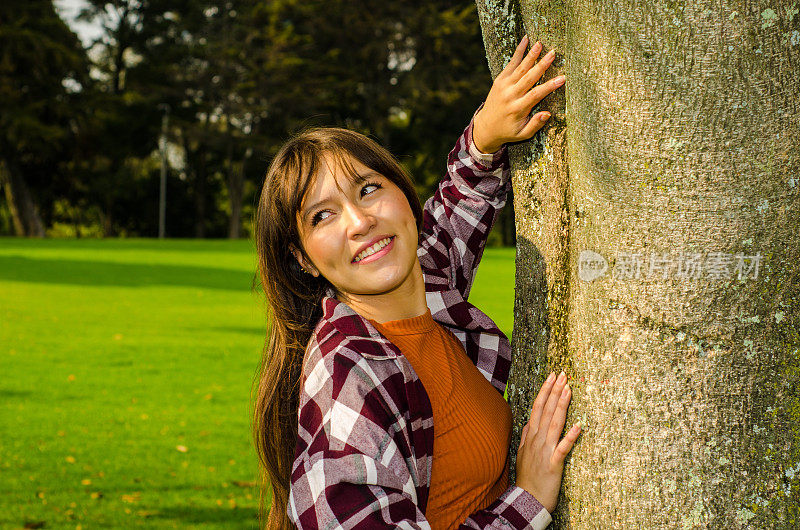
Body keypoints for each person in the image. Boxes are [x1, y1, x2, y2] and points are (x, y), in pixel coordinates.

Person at [253, 34, 579, 530]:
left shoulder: (424, 290)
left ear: (404, 197)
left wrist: (485, 137)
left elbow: (452, 218)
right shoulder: (347, 377)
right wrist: (528, 500)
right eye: (323, 216)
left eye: (368, 190)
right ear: (305, 260)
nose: (360, 222)